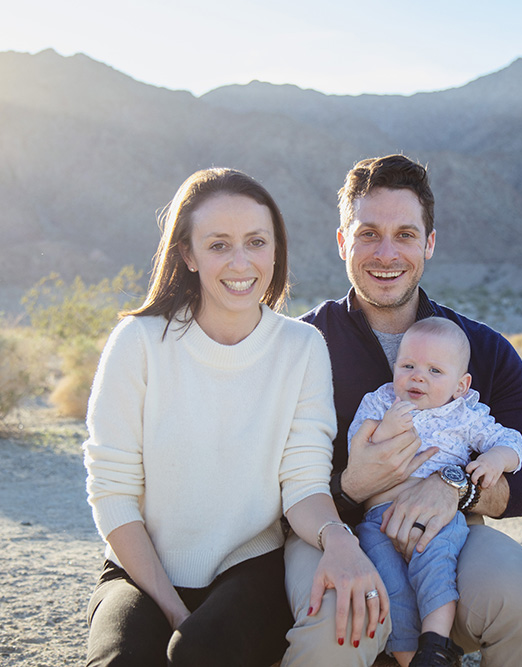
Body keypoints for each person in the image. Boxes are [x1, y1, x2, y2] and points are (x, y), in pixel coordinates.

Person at [83, 167, 388, 667]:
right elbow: (110, 491)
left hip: (251, 569)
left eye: (256, 242)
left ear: (275, 249)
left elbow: (304, 481)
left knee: (200, 654)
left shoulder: (302, 347)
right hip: (141, 571)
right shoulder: (138, 343)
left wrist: (340, 541)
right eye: (219, 244)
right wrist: (173, 611)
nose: (241, 262)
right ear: (188, 253)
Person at [283, 154, 522, 667]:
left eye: (406, 234)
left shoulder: (482, 349)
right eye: (368, 233)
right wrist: (352, 487)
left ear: (429, 243)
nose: (386, 253)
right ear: (342, 241)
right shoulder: (298, 346)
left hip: (446, 533)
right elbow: (260, 489)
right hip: (326, 533)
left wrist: (456, 484)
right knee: (338, 624)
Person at [348, 316, 522, 667]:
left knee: (436, 569)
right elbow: (358, 448)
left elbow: (513, 441)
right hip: (378, 519)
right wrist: (385, 430)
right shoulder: (381, 403)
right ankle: (407, 657)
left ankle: (435, 645)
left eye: (434, 371)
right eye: (408, 365)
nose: (418, 376)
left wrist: (494, 459)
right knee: (390, 584)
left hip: (440, 518)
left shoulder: (465, 415)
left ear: (460, 386)